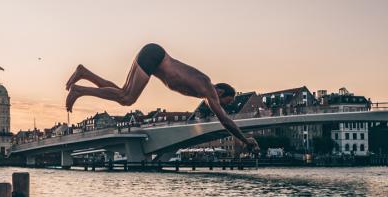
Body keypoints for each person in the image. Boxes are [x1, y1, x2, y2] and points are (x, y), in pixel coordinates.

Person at [65, 43, 260, 153]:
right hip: (154, 56)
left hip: (152, 54)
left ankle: (84, 73)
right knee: (127, 97)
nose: (225, 107)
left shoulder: (204, 90)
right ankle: (79, 91)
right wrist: (244, 139)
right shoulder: (208, 87)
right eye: (229, 102)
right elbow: (224, 120)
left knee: (123, 93)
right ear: (221, 92)